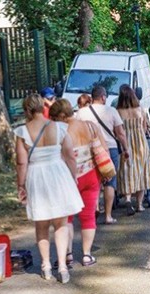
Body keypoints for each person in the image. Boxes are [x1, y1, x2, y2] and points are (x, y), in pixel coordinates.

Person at [14, 94, 83, 283]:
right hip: (58, 173)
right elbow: (70, 156)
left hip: (36, 176)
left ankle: (45, 266)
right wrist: (73, 177)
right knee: (61, 224)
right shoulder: (59, 127)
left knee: (41, 224)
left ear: (27, 110)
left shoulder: (22, 131)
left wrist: (21, 185)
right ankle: (62, 266)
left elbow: (21, 162)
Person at [51, 98, 107, 268]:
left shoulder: (59, 131)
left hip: (68, 178)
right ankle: (86, 255)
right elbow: (103, 148)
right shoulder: (90, 126)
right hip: (91, 175)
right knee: (88, 216)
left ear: (61, 116)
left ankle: (67, 255)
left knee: (66, 218)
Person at [76, 86, 130, 225]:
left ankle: (95, 208)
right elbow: (120, 133)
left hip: (88, 150)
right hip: (109, 149)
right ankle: (108, 215)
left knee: (94, 181)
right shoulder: (111, 111)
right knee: (110, 182)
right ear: (103, 97)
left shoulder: (81, 113)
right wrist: (126, 148)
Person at [116, 84, 150, 213]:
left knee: (126, 170)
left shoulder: (118, 111)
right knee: (141, 170)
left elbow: (117, 130)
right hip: (140, 142)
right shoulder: (140, 109)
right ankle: (139, 204)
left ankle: (127, 199)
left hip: (125, 142)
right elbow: (144, 127)